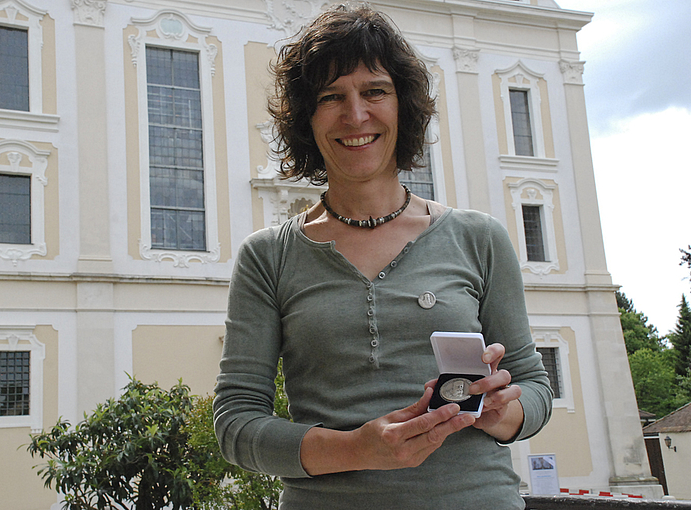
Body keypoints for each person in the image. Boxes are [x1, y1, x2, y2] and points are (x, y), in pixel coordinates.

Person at [213, 3, 553, 508]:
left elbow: (535, 387)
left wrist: (502, 410)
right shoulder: (268, 257)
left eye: (375, 91)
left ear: (404, 106)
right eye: (332, 97)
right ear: (307, 119)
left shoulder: (478, 237)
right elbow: (236, 423)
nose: (356, 115)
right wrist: (356, 449)